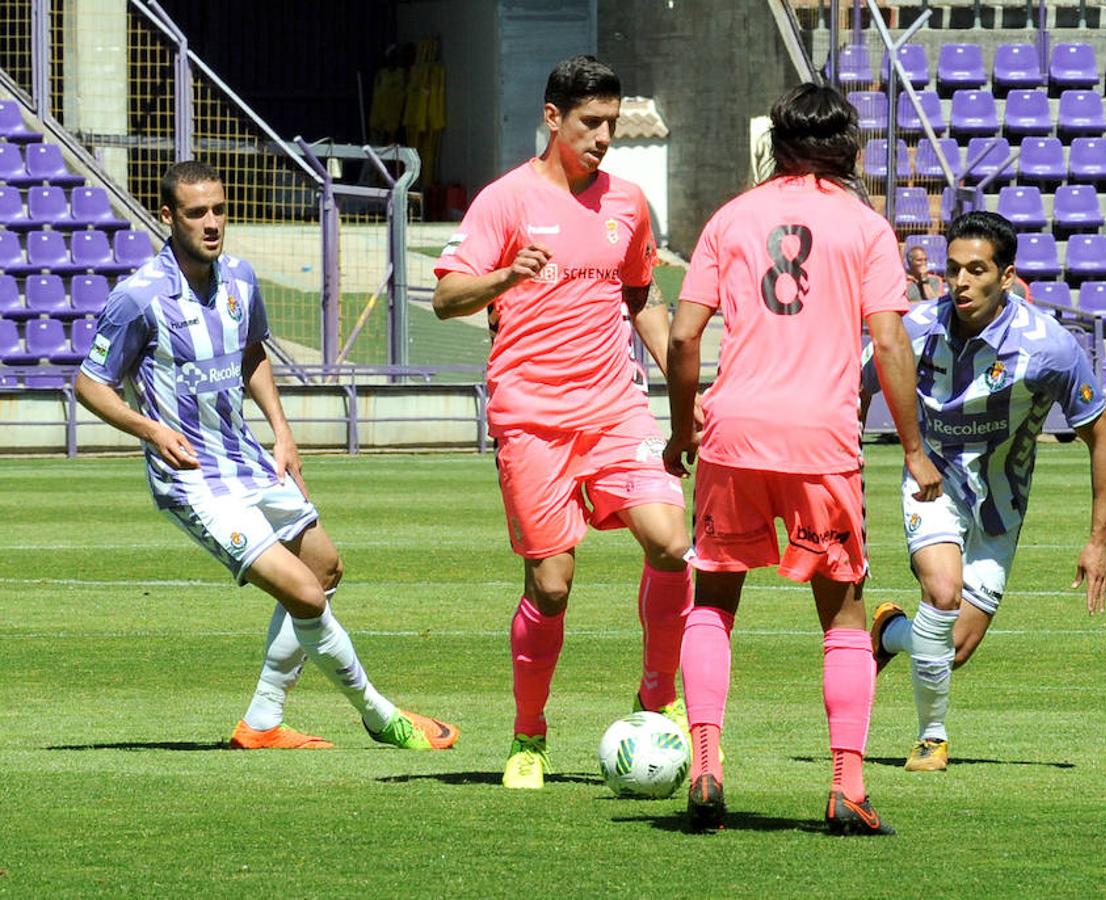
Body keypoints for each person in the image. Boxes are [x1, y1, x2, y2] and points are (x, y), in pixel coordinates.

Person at [75, 160, 459, 752]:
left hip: (250, 460)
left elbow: (253, 352)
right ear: (168, 217)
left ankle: (261, 722)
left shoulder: (240, 279)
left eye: (219, 210)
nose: (211, 223)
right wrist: (150, 430)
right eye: (196, 212)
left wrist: (283, 432)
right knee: (302, 592)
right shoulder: (138, 298)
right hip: (195, 482)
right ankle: (382, 717)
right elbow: (90, 384)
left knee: (325, 568)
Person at [663, 82, 942, 835]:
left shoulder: (731, 216)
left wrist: (681, 425)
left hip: (734, 435)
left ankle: (705, 767)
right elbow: (887, 342)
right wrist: (912, 450)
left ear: (776, 148)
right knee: (844, 614)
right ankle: (846, 789)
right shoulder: (864, 226)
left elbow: (684, 336)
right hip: (819, 439)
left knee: (713, 600)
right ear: (846, 150)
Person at [431, 56, 693, 790]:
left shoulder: (630, 203)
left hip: (614, 407)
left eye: (611, 123)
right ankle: (529, 735)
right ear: (553, 119)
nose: (604, 137)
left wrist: (682, 382)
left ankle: (656, 695)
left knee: (673, 544)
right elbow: (447, 297)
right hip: (533, 417)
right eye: (590, 123)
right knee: (550, 586)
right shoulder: (504, 202)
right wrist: (506, 276)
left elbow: (641, 296)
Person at [862, 210, 1106, 773]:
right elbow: (854, 390)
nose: (960, 282)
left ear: (1007, 277)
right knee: (943, 591)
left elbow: (1101, 434)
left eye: (976, 270)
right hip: (931, 483)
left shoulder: (1049, 347)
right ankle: (931, 737)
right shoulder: (914, 328)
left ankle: (890, 632)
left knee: (950, 648)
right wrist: (844, 476)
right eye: (953, 269)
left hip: (1001, 505)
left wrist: (1097, 541)